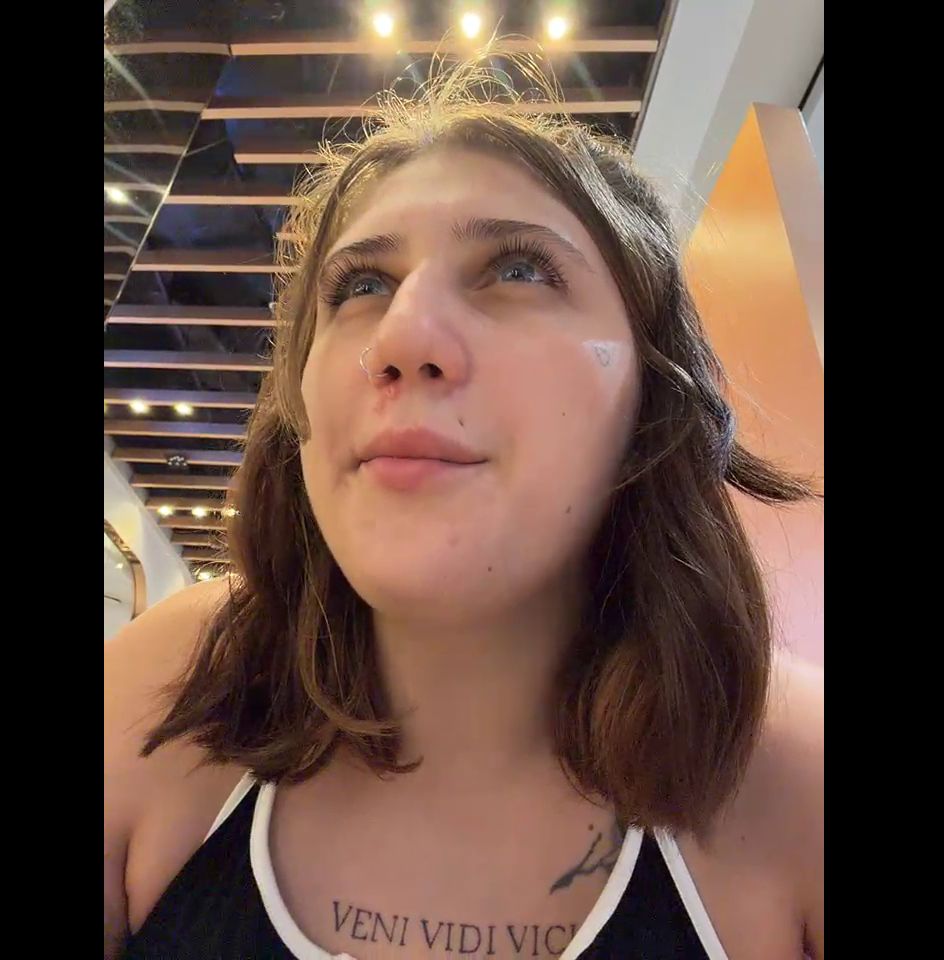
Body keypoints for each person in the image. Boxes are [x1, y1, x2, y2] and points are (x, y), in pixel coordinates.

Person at [104, 54, 824, 960]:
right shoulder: (178, 688)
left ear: (653, 396)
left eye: (518, 269)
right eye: (361, 287)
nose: (400, 335)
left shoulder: (793, 777)